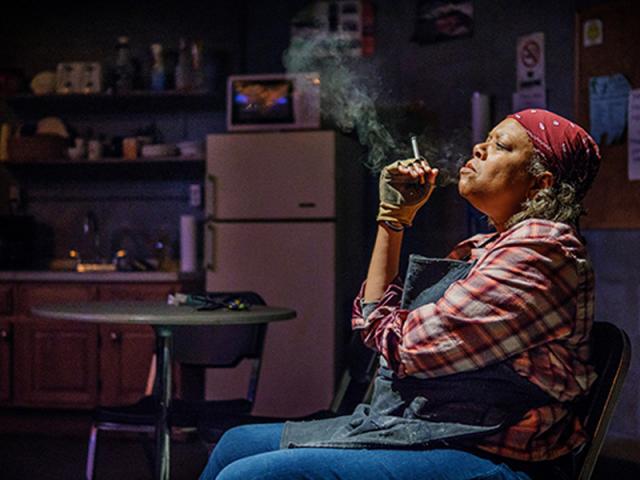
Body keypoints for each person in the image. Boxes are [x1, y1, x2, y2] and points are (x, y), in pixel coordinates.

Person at [199, 108, 601, 480]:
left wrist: (389, 323)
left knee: (249, 476)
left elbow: (407, 345)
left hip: (492, 452)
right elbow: (382, 328)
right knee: (234, 443)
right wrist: (392, 219)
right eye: (487, 139)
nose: (479, 147)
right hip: (434, 429)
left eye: (500, 146)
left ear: (540, 183)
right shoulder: (486, 247)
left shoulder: (541, 252)